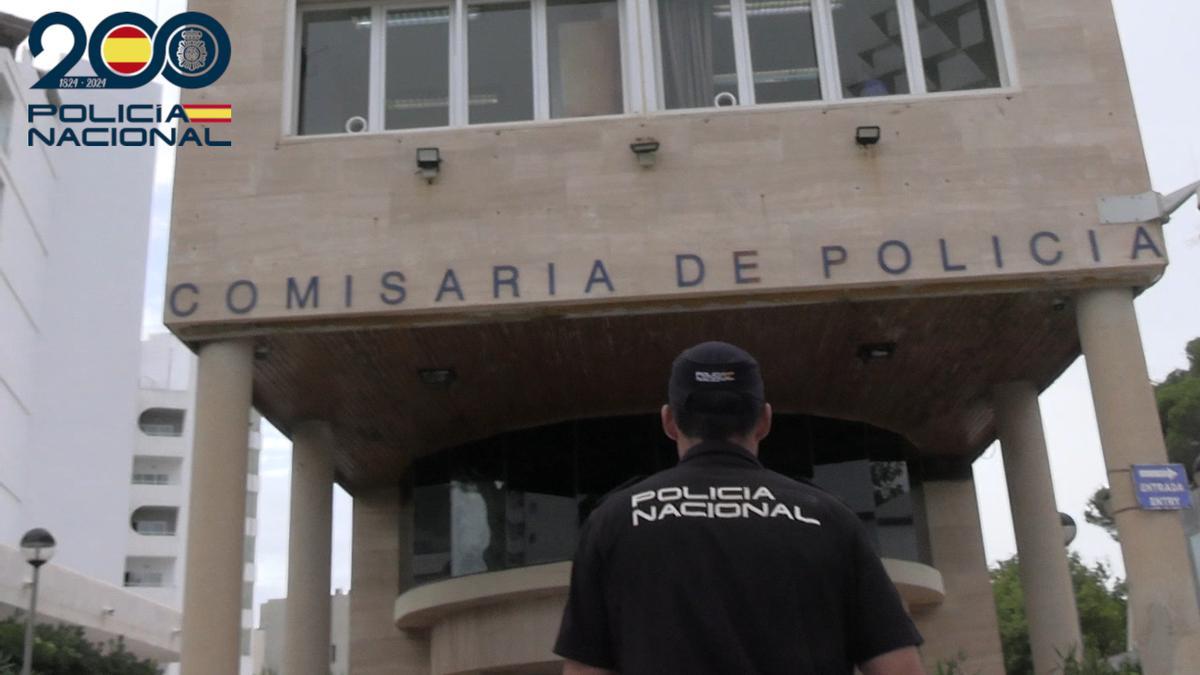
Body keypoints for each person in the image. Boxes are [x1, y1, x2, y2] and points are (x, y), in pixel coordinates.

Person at [553, 341, 925, 675]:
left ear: (669, 421)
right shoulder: (828, 519)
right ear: (764, 420)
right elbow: (899, 669)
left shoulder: (614, 521)